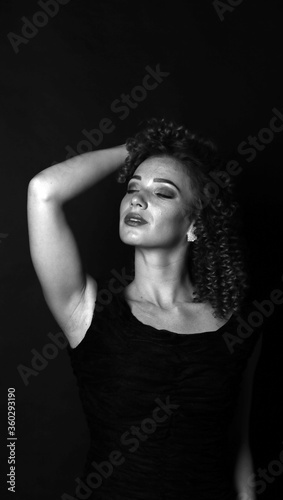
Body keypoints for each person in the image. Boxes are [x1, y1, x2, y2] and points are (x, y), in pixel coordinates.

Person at [27, 117, 262, 500]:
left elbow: (239, 442)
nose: (138, 198)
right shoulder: (87, 310)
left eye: (163, 193)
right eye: (133, 187)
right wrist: (146, 147)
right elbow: (43, 191)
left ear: (195, 226)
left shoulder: (240, 322)